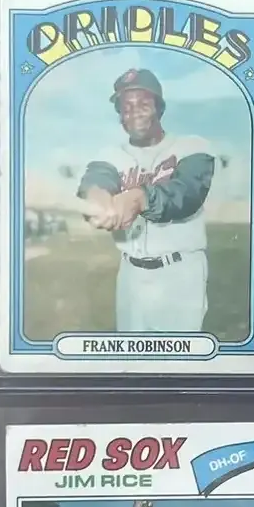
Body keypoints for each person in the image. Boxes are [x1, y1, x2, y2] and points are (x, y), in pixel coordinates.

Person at [76, 68, 218, 334]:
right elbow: (95, 181)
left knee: (179, 356)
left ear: (159, 108)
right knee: (132, 354)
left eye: (143, 104)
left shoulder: (192, 146)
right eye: (126, 107)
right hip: (131, 273)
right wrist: (98, 200)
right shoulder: (111, 154)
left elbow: (186, 193)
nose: (134, 113)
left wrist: (139, 198)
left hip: (180, 273)